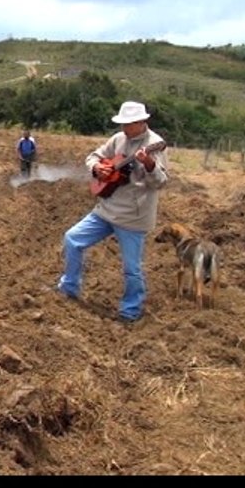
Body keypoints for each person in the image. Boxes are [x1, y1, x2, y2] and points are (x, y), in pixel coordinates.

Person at [57, 100, 169, 322]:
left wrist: (149, 165)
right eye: (123, 124)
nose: (124, 129)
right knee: (72, 239)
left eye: (129, 124)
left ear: (142, 122)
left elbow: (161, 182)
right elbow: (93, 157)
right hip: (107, 208)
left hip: (133, 217)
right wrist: (97, 167)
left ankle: (130, 311)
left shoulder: (155, 144)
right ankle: (68, 287)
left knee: (131, 268)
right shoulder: (118, 139)